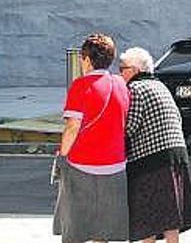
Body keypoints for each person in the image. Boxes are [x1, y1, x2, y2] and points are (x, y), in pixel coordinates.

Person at [54, 33, 130, 243]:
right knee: (103, 227)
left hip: (83, 164)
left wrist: (62, 156)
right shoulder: (121, 84)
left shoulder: (80, 86)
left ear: (87, 59)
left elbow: (72, 126)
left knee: (76, 225)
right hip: (115, 164)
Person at [120, 47, 191, 243]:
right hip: (177, 155)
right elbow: (177, 118)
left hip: (151, 160)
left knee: (148, 217)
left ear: (135, 70)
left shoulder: (135, 89)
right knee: (170, 216)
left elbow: (130, 127)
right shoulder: (161, 86)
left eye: (123, 68)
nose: (120, 73)